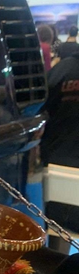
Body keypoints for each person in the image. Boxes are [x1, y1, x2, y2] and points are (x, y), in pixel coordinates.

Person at [41, 47, 79, 232]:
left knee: (56, 229)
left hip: (57, 167)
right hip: (60, 168)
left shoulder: (59, 71)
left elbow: (40, 112)